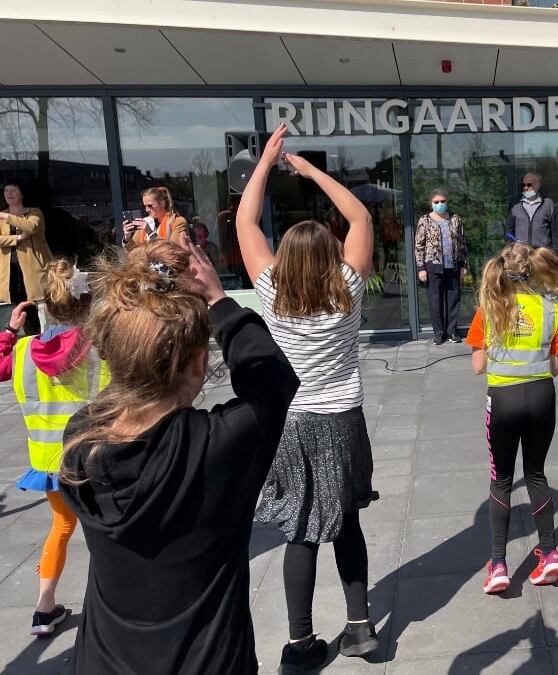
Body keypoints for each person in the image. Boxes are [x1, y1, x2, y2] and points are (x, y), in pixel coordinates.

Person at [59, 235, 299, 675]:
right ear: (197, 366)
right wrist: (218, 299)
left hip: (103, 661)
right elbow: (273, 378)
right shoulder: (215, 446)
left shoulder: (81, 440)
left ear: (114, 357)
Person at [237, 124, 380, 671]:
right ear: (330, 254)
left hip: (292, 422)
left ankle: (300, 645)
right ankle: (361, 628)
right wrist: (311, 170)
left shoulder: (271, 291)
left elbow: (247, 222)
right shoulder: (349, 288)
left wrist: (267, 162)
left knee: (299, 529)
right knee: (345, 521)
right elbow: (361, 217)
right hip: (343, 417)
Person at [467, 241, 558, 595]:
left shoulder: (488, 309)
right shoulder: (552, 309)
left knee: (501, 479)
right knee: (535, 473)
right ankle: (551, 554)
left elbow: (478, 366)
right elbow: (554, 368)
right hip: (541, 399)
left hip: (502, 401)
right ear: (535, 271)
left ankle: (498, 564)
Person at [0, 260, 107, 636]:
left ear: (46, 305)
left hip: (48, 463)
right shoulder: (99, 346)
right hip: (93, 459)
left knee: (62, 526)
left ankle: (44, 609)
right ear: (88, 304)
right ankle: (112, 606)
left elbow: (0, 366)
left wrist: (10, 332)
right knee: (106, 531)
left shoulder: (24, 351)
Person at [414, 188, 468, 344]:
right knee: (435, 301)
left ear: (447, 201)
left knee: (453, 299)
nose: (440, 204)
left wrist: (464, 265)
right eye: (436, 202)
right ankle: (438, 332)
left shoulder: (455, 219)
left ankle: (451, 331)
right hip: (433, 267)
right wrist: (421, 268)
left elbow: (462, 243)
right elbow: (419, 246)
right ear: (431, 203)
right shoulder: (425, 220)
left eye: (442, 201)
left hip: (453, 266)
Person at [0, 179, 52, 336]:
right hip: (11, 271)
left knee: (41, 307)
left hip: (34, 269)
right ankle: (30, 340)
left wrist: (6, 216)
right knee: (21, 307)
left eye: (13, 190)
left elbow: (31, 227)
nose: (9, 193)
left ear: (22, 194)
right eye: (6, 190)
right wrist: (18, 238)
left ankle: (45, 339)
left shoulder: (34, 212)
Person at [505, 172, 558, 255]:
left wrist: (555, 253)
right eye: (523, 185)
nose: (525, 187)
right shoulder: (515, 204)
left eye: (529, 185)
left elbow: (556, 231)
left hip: (542, 253)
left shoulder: (548, 203)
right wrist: (515, 245)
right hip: (521, 253)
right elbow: (508, 230)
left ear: (537, 185)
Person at [121, 186, 188, 249]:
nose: (147, 210)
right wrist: (127, 238)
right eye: (145, 206)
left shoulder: (177, 222)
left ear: (162, 204)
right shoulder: (146, 222)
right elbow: (132, 250)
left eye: (150, 206)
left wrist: (150, 233)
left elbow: (176, 249)